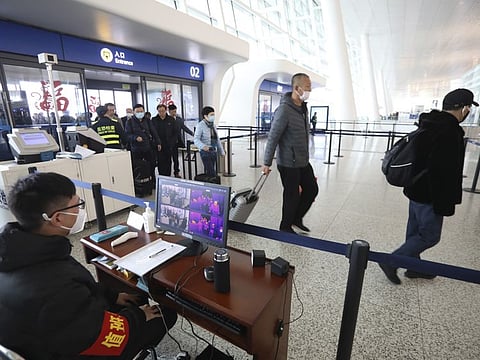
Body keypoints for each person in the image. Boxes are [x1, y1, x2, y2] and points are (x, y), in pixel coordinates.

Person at [0, 172, 177, 359]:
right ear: (58, 218)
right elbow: (97, 337)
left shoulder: (23, 252)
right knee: (166, 314)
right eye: (77, 205)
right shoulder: (54, 287)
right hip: (81, 347)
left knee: (136, 297)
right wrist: (139, 316)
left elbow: (77, 292)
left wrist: (112, 296)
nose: (80, 210)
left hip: (56, 333)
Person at [379, 88, 478, 284]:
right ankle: (391, 261)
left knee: (414, 232)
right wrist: (444, 202)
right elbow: (445, 171)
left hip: (415, 189)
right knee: (430, 236)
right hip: (430, 194)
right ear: (463, 108)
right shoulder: (450, 131)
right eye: (468, 108)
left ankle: (414, 267)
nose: (468, 112)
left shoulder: (430, 124)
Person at [262, 73, 319, 234]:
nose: (309, 91)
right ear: (296, 88)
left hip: (302, 161)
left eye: (310, 88)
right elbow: (273, 137)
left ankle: (296, 218)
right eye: (307, 88)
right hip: (288, 162)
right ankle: (285, 226)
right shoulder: (284, 110)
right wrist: (266, 163)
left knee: (312, 189)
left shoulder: (303, 108)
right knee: (291, 196)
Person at [125, 104, 161, 187]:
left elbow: (153, 132)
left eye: (141, 111)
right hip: (136, 149)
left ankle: (152, 183)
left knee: (151, 165)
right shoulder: (129, 122)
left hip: (148, 147)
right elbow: (127, 135)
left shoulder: (148, 120)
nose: (140, 113)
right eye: (137, 112)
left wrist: (158, 142)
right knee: (138, 167)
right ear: (134, 112)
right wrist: (135, 137)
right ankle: (139, 184)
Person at [194, 106, 225, 177]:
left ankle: (210, 183)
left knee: (211, 170)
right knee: (211, 171)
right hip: (205, 152)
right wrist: (203, 146)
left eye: (213, 115)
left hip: (213, 151)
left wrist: (222, 151)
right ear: (205, 116)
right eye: (211, 115)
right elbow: (196, 139)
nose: (213, 116)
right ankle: (212, 184)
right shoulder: (200, 125)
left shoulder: (213, 125)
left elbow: (217, 139)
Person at [151, 104, 179, 176]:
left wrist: (172, 143)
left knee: (168, 161)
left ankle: (168, 176)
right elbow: (152, 132)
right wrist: (156, 142)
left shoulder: (171, 119)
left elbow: (175, 132)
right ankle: (162, 176)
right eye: (159, 111)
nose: (161, 113)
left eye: (163, 111)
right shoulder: (154, 120)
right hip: (159, 145)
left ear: (166, 110)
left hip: (169, 144)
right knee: (160, 162)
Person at [169, 104, 194, 178]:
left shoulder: (179, 119)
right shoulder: (167, 119)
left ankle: (176, 172)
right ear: (169, 111)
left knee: (176, 158)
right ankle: (167, 173)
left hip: (177, 141)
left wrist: (192, 133)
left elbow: (184, 127)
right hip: (169, 142)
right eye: (173, 111)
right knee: (168, 159)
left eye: (175, 111)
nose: (174, 113)